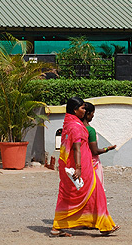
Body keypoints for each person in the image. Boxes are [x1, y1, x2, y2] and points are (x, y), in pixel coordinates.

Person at [51, 97, 119, 237]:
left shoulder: (69, 123)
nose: (84, 110)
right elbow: (76, 148)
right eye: (82, 108)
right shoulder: (75, 126)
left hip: (70, 166)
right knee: (96, 192)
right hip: (81, 166)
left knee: (69, 195)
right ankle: (104, 225)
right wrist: (79, 168)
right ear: (75, 110)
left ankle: (58, 226)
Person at [83, 101, 116, 186]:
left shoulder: (75, 127)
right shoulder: (90, 130)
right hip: (91, 164)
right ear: (88, 114)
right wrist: (107, 149)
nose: (93, 116)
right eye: (93, 113)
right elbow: (95, 151)